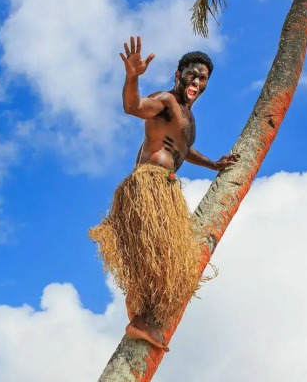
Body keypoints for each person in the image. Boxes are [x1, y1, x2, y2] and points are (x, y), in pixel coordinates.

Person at [90, 36, 238, 351]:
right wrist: (132, 77)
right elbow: (134, 107)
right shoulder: (166, 102)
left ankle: (141, 316)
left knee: (166, 261)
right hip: (149, 185)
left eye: (203, 78)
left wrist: (212, 164)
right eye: (192, 74)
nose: (196, 80)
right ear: (178, 75)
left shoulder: (185, 115)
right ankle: (139, 321)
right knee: (154, 255)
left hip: (163, 186)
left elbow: (183, 148)